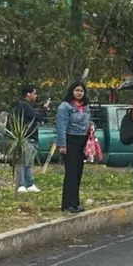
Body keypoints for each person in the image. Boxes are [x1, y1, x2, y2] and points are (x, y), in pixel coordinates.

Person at [55, 81, 92, 214]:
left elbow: (87, 121)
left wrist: (91, 126)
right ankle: (67, 204)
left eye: (81, 91)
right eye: (77, 90)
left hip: (82, 141)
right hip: (70, 140)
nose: (79, 93)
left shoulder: (85, 106)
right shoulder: (65, 107)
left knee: (78, 173)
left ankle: (75, 202)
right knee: (70, 173)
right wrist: (62, 144)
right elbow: (61, 126)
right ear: (71, 91)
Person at [10, 84, 45, 193]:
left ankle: (27, 184)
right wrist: (44, 110)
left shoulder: (17, 106)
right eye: (34, 93)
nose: (36, 96)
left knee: (27, 162)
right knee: (24, 162)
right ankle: (23, 184)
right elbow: (36, 117)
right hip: (27, 138)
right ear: (28, 94)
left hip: (22, 137)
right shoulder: (25, 106)